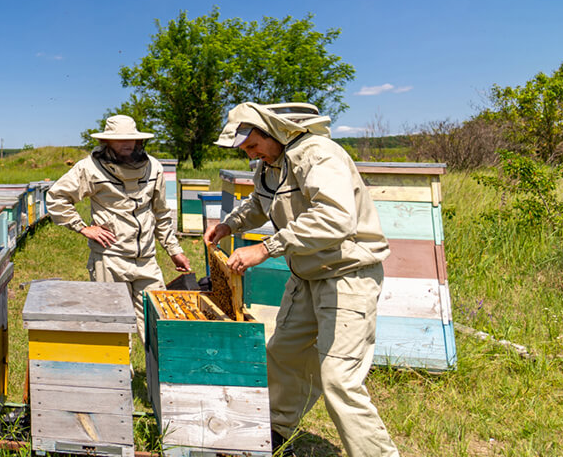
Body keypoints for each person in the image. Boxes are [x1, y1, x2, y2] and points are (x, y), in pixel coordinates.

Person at [204, 102, 400, 457]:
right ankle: (274, 432)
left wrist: (266, 248)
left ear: (273, 131)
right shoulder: (271, 164)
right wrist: (229, 224)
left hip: (346, 275)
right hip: (306, 276)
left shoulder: (319, 155)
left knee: (339, 379)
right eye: (246, 149)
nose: (251, 154)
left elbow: (335, 218)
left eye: (253, 145)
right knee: (284, 355)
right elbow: (260, 204)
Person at [46, 114, 191, 333]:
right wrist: (82, 227)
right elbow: (57, 197)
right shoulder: (89, 168)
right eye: (120, 139)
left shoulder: (154, 167)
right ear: (106, 141)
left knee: (159, 327)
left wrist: (174, 250)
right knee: (114, 329)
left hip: (146, 260)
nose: (127, 143)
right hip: (110, 259)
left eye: (131, 138)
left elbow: (161, 213)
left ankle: (155, 358)